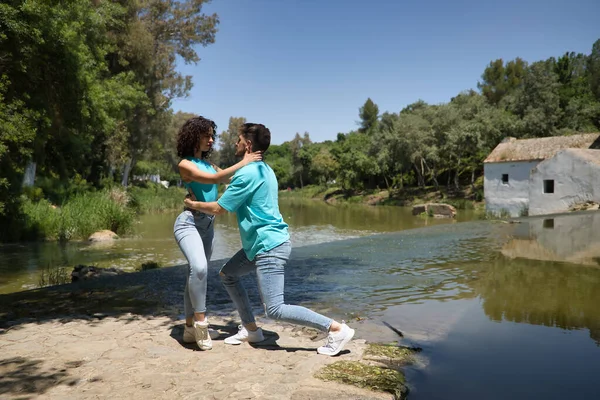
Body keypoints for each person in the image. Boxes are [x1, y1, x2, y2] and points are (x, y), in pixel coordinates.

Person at [183, 122, 355, 356]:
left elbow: (219, 208)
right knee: (228, 274)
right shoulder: (265, 168)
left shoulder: (248, 173)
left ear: (248, 144)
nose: (236, 143)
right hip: (261, 244)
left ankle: (336, 329)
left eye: (239, 139)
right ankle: (251, 329)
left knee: (275, 308)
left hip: (269, 246)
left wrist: (193, 204)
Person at [174, 116, 261, 351]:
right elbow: (215, 179)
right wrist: (245, 160)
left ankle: (189, 329)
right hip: (189, 223)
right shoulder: (185, 164)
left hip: (208, 225)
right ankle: (201, 324)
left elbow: (231, 179)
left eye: (213, 136)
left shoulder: (210, 164)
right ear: (195, 136)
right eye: (208, 135)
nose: (211, 140)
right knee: (200, 268)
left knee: (195, 272)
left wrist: (256, 167)